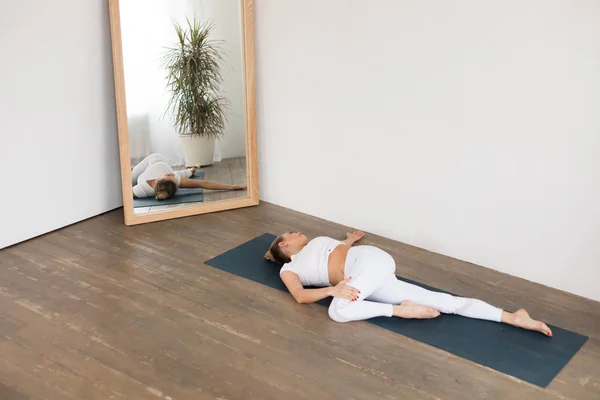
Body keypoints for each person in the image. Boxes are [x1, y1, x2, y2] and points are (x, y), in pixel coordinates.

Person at [264, 230, 552, 337]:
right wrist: (332, 290)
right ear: (284, 244)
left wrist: (350, 240)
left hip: (367, 263)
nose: (296, 231)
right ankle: (513, 317)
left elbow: (337, 249)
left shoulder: (316, 241)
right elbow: (300, 296)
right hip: (366, 281)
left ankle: (401, 311)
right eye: (289, 233)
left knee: (337, 311)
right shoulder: (290, 268)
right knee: (446, 302)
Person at [131, 153, 246, 200]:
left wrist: (231, 187)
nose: (171, 174)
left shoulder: (142, 190)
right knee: (183, 173)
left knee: (128, 180)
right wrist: (231, 186)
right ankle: (190, 170)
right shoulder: (175, 178)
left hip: (154, 164)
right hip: (155, 161)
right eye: (171, 175)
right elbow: (203, 184)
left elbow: (204, 184)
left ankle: (189, 171)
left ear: (157, 181)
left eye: (170, 176)